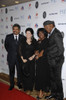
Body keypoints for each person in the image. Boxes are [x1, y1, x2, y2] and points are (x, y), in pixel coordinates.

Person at [43, 20, 64, 100]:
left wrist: (56, 60)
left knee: (57, 79)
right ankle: (54, 94)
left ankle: (60, 97)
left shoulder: (56, 34)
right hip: (51, 60)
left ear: (51, 25)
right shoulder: (51, 33)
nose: (45, 29)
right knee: (52, 79)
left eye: (46, 27)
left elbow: (61, 50)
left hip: (56, 61)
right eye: (44, 28)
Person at [5, 24, 25, 90]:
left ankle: (19, 84)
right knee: (11, 72)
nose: (15, 30)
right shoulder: (8, 37)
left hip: (19, 59)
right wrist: (12, 53)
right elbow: (6, 46)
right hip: (11, 58)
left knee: (19, 72)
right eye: (14, 29)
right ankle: (12, 85)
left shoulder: (23, 37)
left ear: (19, 30)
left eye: (16, 29)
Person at [19, 28, 37, 94]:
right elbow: (19, 50)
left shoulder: (34, 41)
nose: (27, 34)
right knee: (24, 73)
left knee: (31, 74)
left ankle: (29, 88)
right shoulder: (22, 40)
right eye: (26, 33)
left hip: (31, 60)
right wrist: (22, 58)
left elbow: (36, 51)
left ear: (32, 34)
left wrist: (32, 56)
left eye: (29, 33)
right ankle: (25, 87)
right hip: (24, 60)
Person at [35, 28, 50, 99]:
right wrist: (36, 53)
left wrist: (38, 55)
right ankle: (42, 91)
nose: (40, 34)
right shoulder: (39, 41)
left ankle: (41, 93)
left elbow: (43, 51)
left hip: (44, 62)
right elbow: (37, 49)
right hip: (39, 62)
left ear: (45, 33)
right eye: (39, 33)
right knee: (39, 76)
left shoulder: (47, 40)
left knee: (42, 77)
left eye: (42, 33)